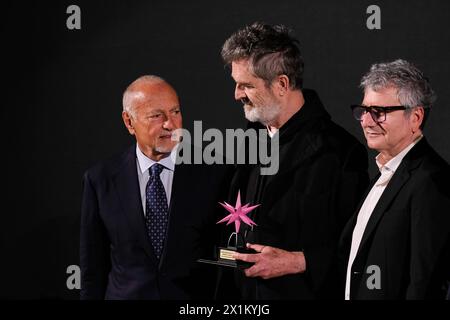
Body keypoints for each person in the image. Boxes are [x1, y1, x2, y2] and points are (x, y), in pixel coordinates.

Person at [217, 22, 369, 299]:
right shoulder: (243, 143)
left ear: (282, 85)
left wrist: (299, 261)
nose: (236, 94)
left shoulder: (342, 154)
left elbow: (360, 251)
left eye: (246, 85)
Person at [80, 75, 230, 299]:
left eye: (175, 112)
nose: (170, 124)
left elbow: (226, 257)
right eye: (156, 115)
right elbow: (93, 267)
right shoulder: (100, 179)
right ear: (129, 122)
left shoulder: (215, 172)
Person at [341, 59, 450, 299]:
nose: (366, 121)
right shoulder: (387, 173)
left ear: (416, 117)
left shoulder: (431, 182)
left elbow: (425, 284)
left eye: (379, 113)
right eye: (364, 111)